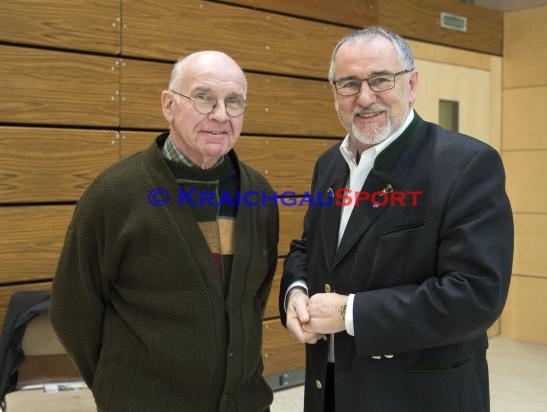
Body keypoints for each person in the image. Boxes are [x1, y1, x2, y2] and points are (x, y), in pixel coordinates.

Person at [279, 26, 513, 412]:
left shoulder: (467, 165)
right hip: (332, 388)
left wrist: (348, 313)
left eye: (380, 80)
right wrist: (296, 292)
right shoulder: (329, 165)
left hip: (418, 395)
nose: (365, 97)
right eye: (349, 84)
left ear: (412, 83)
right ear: (334, 93)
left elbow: (476, 294)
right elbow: (309, 247)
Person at [50, 51, 278, 411]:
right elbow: (72, 311)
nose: (220, 115)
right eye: (203, 97)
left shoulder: (259, 193)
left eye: (233, 102)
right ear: (169, 105)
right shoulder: (116, 193)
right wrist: (122, 387)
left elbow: (250, 299)